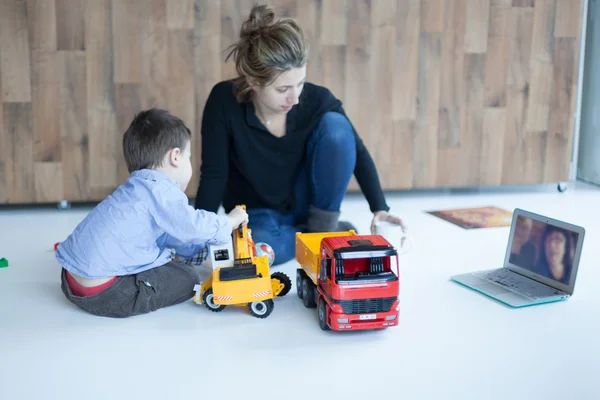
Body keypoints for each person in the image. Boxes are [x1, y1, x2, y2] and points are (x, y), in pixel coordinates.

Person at [194, 4, 406, 265]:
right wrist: (197, 235)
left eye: (300, 83)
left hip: (308, 205)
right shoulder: (223, 101)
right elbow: (214, 174)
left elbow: (356, 152)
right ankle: (325, 237)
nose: (295, 98)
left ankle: (321, 229)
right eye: (283, 88)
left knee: (337, 128)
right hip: (255, 215)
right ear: (253, 82)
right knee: (256, 252)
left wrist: (380, 209)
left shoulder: (317, 100)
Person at [55, 109, 249, 318]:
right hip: (107, 292)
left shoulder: (134, 190)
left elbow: (172, 235)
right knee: (188, 278)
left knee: (167, 252)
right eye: (188, 157)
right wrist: (229, 221)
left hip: (70, 283)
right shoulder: (163, 190)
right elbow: (192, 226)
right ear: (175, 156)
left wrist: (198, 252)